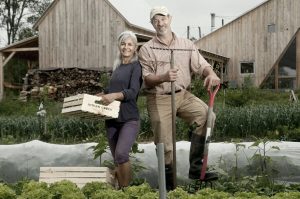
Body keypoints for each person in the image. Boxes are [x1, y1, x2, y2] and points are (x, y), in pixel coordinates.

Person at [138, 6, 220, 190]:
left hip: (182, 94)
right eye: (156, 20)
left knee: (207, 116)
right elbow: (147, 79)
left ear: (170, 19)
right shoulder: (147, 48)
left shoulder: (186, 44)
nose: (160, 23)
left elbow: (202, 65)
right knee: (165, 144)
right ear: (152, 23)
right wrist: (164, 77)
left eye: (163, 18)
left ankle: (197, 168)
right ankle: (169, 187)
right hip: (158, 97)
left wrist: (211, 74)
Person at [98, 31, 142, 188]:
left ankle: (126, 192)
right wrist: (99, 96)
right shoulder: (117, 67)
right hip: (111, 119)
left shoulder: (136, 67)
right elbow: (109, 90)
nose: (126, 47)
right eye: (123, 44)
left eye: (130, 44)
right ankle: (119, 189)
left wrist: (114, 95)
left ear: (135, 47)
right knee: (117, 159)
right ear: (119, 46)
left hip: (128, 118)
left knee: (122, 154)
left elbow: (133, 92)